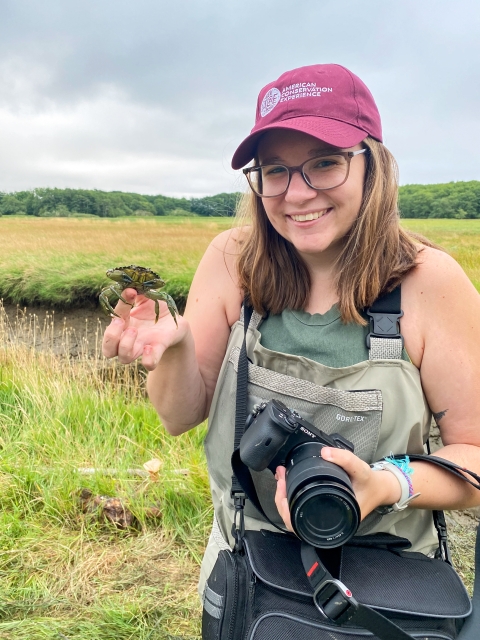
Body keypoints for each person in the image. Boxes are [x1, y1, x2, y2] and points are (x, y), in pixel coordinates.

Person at [102, 64, 480, 596]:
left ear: (373, 166)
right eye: (274, 170)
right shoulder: (232, 261)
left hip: (385, 582)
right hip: (243, 566)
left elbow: (475, 452)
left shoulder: (430, 282)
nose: (296, 193)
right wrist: (177, 346)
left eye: (325, 164)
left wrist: (387, 483)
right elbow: (178, 415)